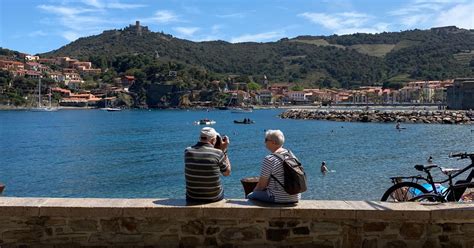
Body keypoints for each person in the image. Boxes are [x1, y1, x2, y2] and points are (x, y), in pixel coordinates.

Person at [247, 129, 300, 204]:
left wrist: (254, 193)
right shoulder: (291, 155)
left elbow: (261, 185)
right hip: (296, 196)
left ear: (273, 142)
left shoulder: (270, 159)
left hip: (278, 197)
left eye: (266, 140)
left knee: (250, 196)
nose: (264, 142)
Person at [184, 127, 231, 203]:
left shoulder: (187, 151)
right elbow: (227, 173)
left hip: (192, 197)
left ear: (200, 138)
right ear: (213, 140)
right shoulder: (218, 153)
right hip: (214, 197)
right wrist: (224, 150)